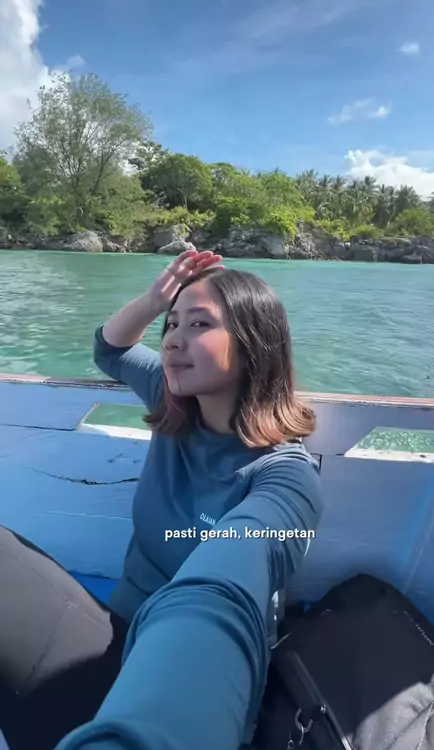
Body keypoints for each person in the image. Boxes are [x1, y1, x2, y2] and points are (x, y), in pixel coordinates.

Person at [0, 250, 323, 750]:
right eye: (171, 325)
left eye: (199, 324)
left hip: (189, 675)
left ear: (254, 344)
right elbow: (110, 350)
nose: (172, 339)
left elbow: (232, 579)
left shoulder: (285, 477)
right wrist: (155, 300)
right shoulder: (173, 399)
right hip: (115, 632)